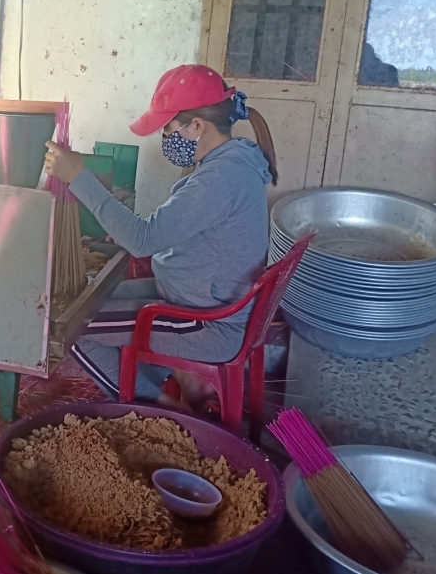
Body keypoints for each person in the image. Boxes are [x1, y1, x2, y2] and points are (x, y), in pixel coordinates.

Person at [43, 64, 278, 413]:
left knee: (68, 329)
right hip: (196, 297)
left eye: (168, 129)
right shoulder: (236, 159)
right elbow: (176, 225)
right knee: (84, 301)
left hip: (206, 322)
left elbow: (142, 240)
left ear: (197, 125)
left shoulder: (221, 177)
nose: (166, 138)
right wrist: (120, 222)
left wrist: (79, 177)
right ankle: (159, 384)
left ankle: (164, 412)